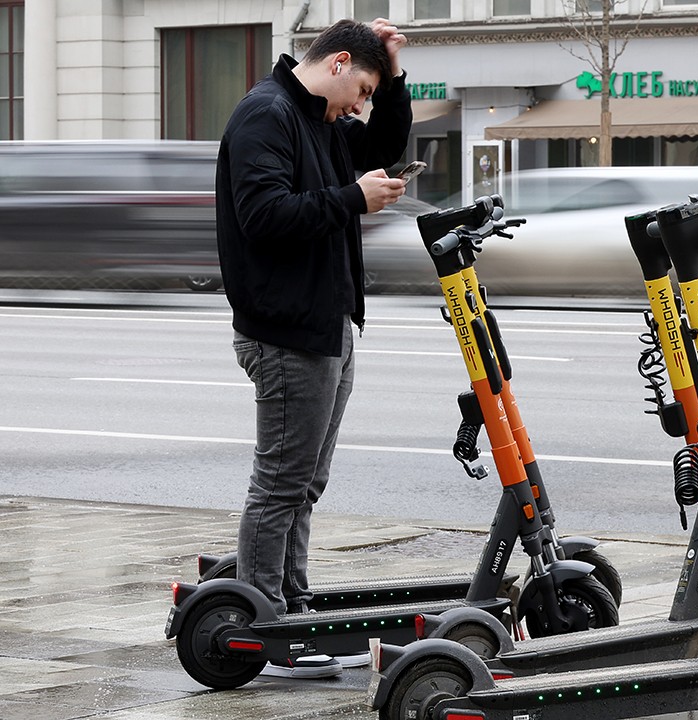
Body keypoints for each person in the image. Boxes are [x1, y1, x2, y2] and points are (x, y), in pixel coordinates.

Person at [216, 18, 413, 679]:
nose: (360, 105)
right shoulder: (266, 116)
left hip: (326, 323)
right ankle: (266, 627)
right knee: (279, 486)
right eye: (360, 87)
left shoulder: (318, 120)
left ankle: (290, 602)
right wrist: (351, 199)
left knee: (305, 485)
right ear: (333, 64)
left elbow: (382, 143)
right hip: (285, 330)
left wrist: (392, 73)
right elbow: (264, 216)